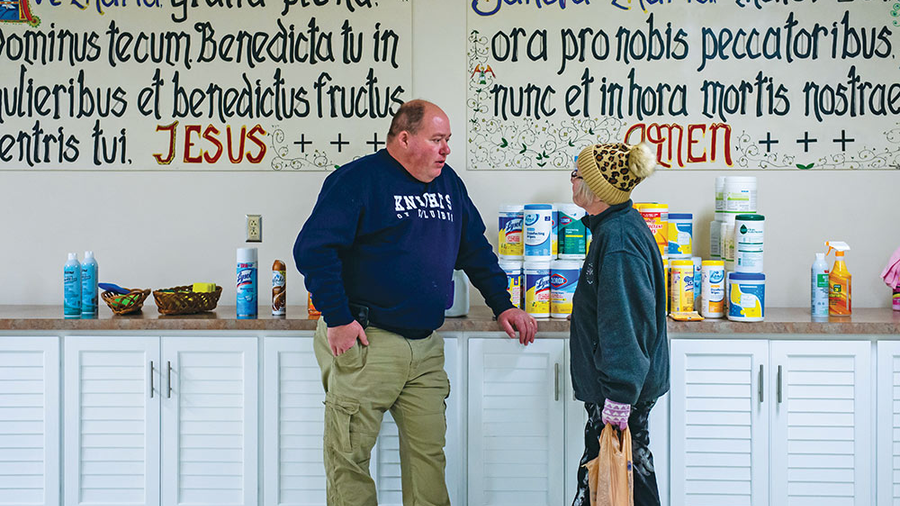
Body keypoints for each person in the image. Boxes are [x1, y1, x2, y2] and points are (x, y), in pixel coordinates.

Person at [293, 99, 537, 506]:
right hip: (368, 341)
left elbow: (474, 249)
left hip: (425, 348)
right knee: (349, 461)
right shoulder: (359, 180)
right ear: (404, 138)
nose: (446, 149)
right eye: (437, 139)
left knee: (429, 460)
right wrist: (337, 317)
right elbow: (314, 249)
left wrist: (503, 304)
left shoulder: (449, 184)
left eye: (448, 141)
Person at [568, 142, 670, 506]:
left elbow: (626, 322)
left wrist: (619, 397)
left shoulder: (619, 240)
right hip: (620, 389)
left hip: (621, 394)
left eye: (578, 174)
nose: (572, 179)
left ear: (597, 189)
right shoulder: (612, 228)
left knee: (611, 483)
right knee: (621, 482)